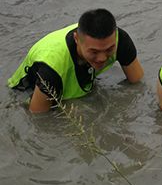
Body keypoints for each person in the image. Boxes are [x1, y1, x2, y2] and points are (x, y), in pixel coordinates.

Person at [8, 9, 143, 113]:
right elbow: (38, 116)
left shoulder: (121, 40)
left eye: (109, 49)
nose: (102, 58)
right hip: (27, 91)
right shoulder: (52, 68)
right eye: (94, 52)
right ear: (77, 39)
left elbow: (136, 82)